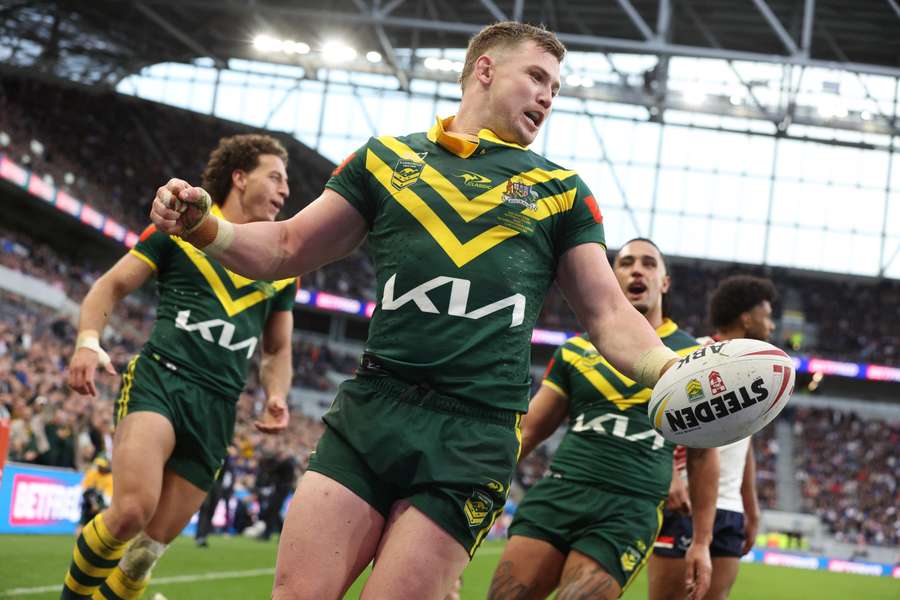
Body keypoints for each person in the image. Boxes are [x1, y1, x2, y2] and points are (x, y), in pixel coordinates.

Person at [150, 22, 688, 600]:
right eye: (537, 77)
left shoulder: (563, 192)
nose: (547, 96)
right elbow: (286, 246)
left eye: (555, 88)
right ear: (485, 70)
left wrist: (671, 371)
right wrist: (206, 226)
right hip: (372, 412)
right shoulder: (384, 160)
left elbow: (608, 315)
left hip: (474, 437)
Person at [60, 134, 297, 600]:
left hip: (218, 408)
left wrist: (277, 394)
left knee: (143, 556)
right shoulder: (182, 229)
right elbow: (110, 287)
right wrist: (88, 341)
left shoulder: (281, 266)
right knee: (131, 512)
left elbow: (277, 350)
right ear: (239, 177)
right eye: (275, 177)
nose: (285, 190)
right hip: (161, 381)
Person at [487, 239, 718, 600]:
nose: (637, 270)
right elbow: (529, 430)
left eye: (648, 263)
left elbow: (703, 456)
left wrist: (701, 542)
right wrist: (477, 484)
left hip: (631, 507)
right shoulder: (576, 350)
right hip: (559, 493)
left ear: (664, 282)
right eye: (626, 263)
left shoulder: (694, 358)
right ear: (612, 277)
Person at [649, 275, 776, 600]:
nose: (772, 325)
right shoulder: (695, 355)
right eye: (767, 316)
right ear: (746, 319)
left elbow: (744, 443)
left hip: (730, 509)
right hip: (687, 503)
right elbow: (660, 418)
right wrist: (671, 476)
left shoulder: (755, 370)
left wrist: (751, 507)